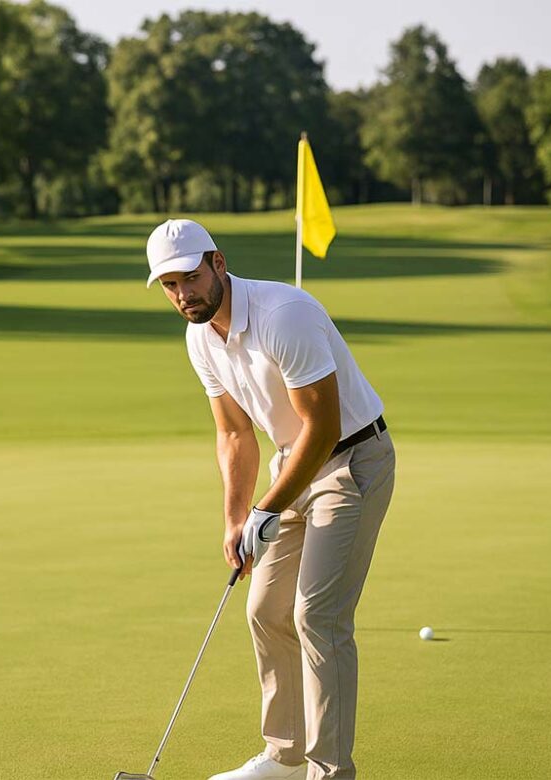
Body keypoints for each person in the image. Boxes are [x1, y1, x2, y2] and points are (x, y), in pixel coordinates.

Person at [144, 219, 395, 780]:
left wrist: (266, 508)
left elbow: (324, 426)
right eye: (169, 285)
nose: (184, 294)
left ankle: (329, 772)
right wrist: (237, 518)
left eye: (190, 277)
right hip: (294, 463)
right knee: (264, 610)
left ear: (218, 262)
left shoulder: (286, 314)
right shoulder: (199, 337)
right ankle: (284, 757)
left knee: (317, 615)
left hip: (352, 461)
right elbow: (234, 433)